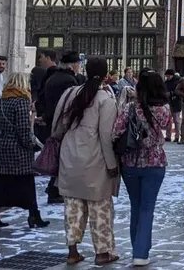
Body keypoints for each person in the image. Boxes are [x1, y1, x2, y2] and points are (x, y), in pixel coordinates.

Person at [52, 56, 120, 266]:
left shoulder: (70, 93)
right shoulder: (105, 100)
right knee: (99, 207)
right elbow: (107, 136)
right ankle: (102, 253)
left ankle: (72, 251)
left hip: (70, 155)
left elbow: (57, 126)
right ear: (106, 74)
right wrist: (112, 165)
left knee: (72, 206)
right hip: (95, 158)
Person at [114, 69, 171, 266]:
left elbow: (116, 132)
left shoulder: (129, 108)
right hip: (155, 162)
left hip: (130, 162)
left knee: (135, 206)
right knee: (148, 208)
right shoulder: (163, 109)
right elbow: (165, 125)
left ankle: (137, 247)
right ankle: (141, 251)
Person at [0, 71, 48, 230]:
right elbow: (23, 129)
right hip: (16, 150)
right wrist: (31, 145)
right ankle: (33, 215)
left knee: (0, 183)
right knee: (26, 182)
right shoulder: (21, 102)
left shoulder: (1, 101)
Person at [38, 50, 82, 204]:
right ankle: (54, 189)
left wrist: (44, 116)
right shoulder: (69, 81)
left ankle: (55, 188)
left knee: (59, 156)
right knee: (63, 157)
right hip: (63, 124)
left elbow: (42, 99)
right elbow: (70, 105)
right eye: (78, 65)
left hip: (52, 121)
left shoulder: (53, 78)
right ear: (74, 65)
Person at [163, 69, 182, 142]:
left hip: (176, 102)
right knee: (168, 120)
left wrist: (171, 93)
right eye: (166, 76)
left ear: (172, 75)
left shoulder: (178, 82)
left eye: (168, 76)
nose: (167, 77)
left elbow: (179, 91)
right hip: (168, 103)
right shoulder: (166, 83)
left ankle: (177, 136)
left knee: (176, 120)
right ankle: (168, 136)